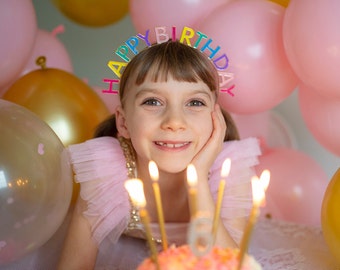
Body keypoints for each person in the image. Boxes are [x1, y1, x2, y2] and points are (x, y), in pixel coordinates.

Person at [57, 40, 261, 270]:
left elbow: (231, 265)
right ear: (123, 122)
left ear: (217, 119)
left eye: (195, 102)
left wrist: (199, 177)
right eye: (152, 101)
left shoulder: (228, 171)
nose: (174, 122)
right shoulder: (104, 170)